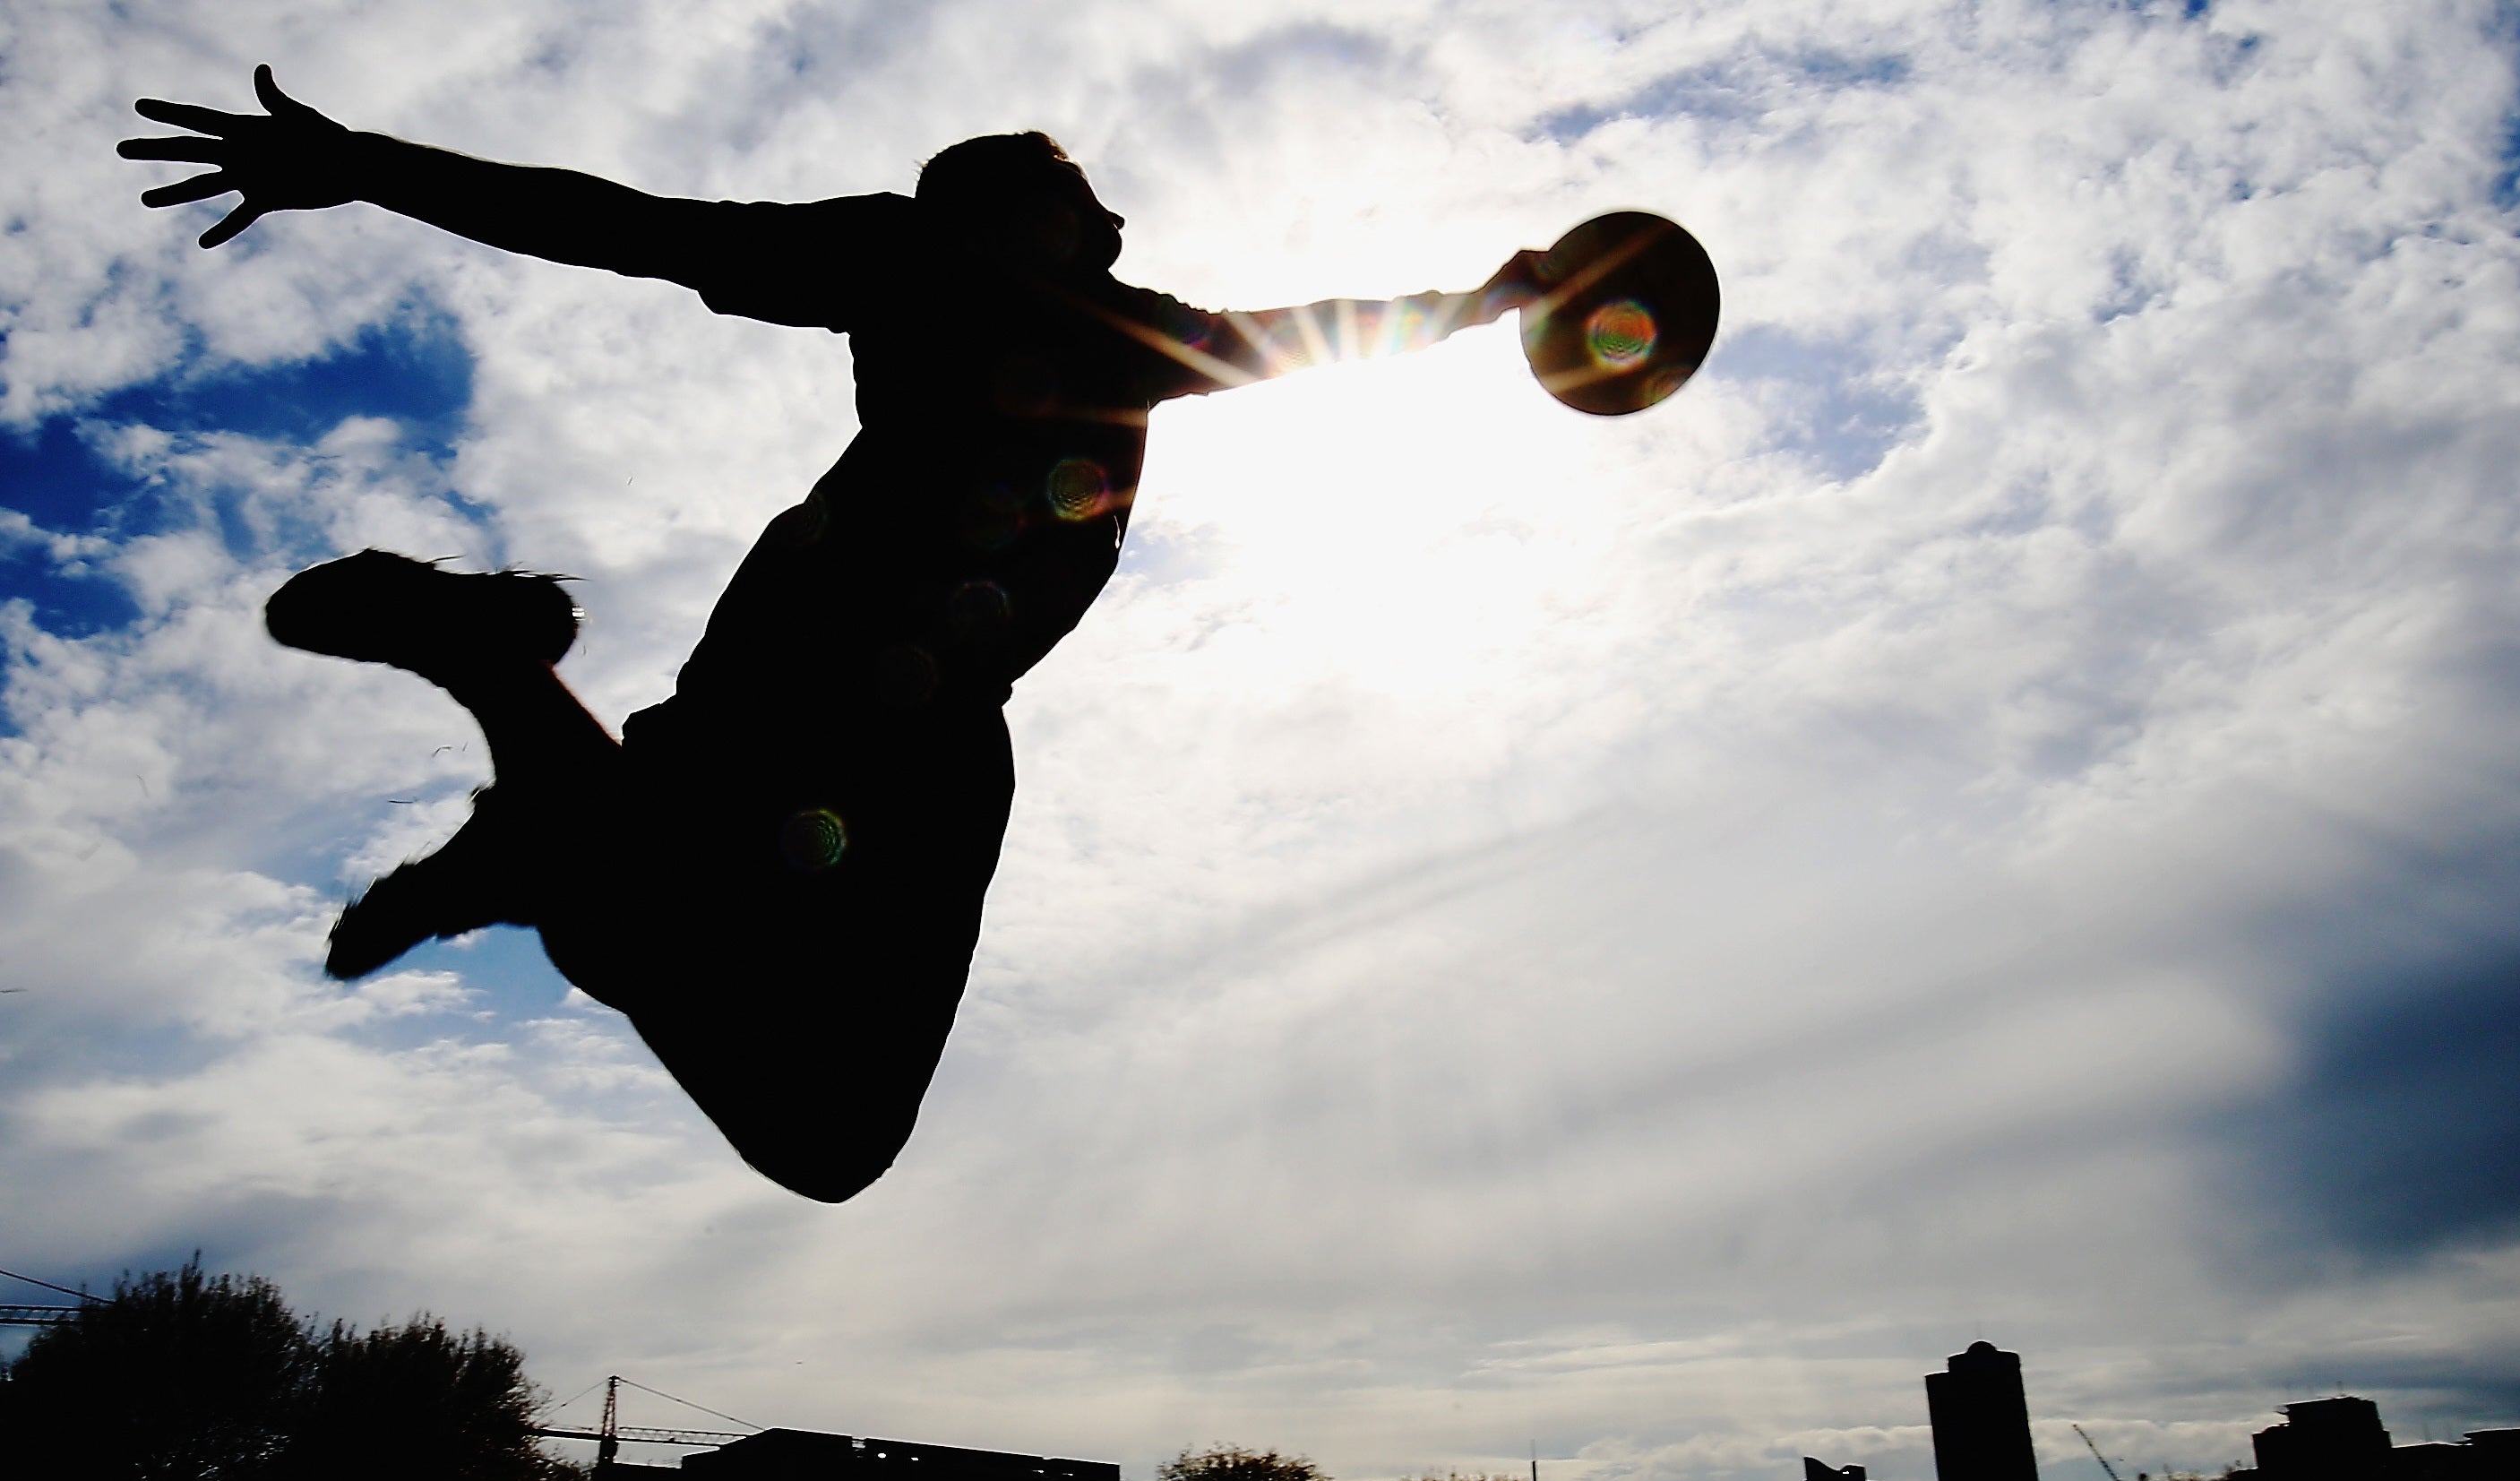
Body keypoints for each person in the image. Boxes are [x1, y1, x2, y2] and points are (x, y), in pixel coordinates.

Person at [122, 67, 1542, 1201]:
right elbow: (625, 221)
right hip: (890, 718)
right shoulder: (1008, 286)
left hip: (796, 662)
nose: (1110, 236)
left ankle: (526, 742)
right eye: (1085, 211)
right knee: (821, 1129)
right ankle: (521, 733)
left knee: (665, 963)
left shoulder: (1011, 292)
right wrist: (1493, 299)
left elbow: (631, 225)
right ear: (1015, 218)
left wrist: (371, 167)